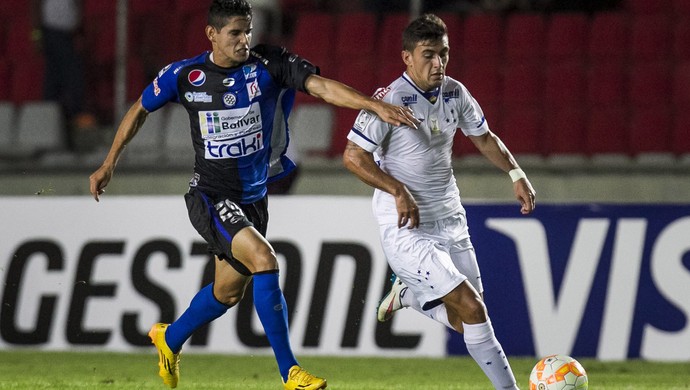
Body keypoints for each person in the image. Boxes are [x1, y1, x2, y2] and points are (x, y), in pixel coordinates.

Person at [88, 1, 417, 389]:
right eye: (235, 33)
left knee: (227, 294)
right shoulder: (185, 75)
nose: (245, 40)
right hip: (210, 196)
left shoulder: (268, 65)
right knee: (264, 259)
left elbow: (322, 87)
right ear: (212, 34)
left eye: (247, 31)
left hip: (254, 198)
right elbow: (140, 109)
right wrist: (109, 162)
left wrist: (371, 103)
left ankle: (169, 338)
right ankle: (290, 372)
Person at [342, 14, 536, 390]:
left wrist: (515, 173)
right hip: (407, 227)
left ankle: (410, 297)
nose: (438, 64)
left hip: (450, 219)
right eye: (428, 55)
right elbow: (352, 157)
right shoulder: (389, 101)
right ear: (407, 58)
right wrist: (397, 190)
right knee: (473, 309)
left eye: (443, 55)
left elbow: (483, 137)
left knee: (470, 320)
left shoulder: (455, 92)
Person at [31, 0, 97, 149]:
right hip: (52, 32)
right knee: (69, 79)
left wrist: (79, 27)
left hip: (69, 34)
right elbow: (36, 5)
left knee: (57, 80)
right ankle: (63, 125)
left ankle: (60, 130)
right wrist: (36, 34)